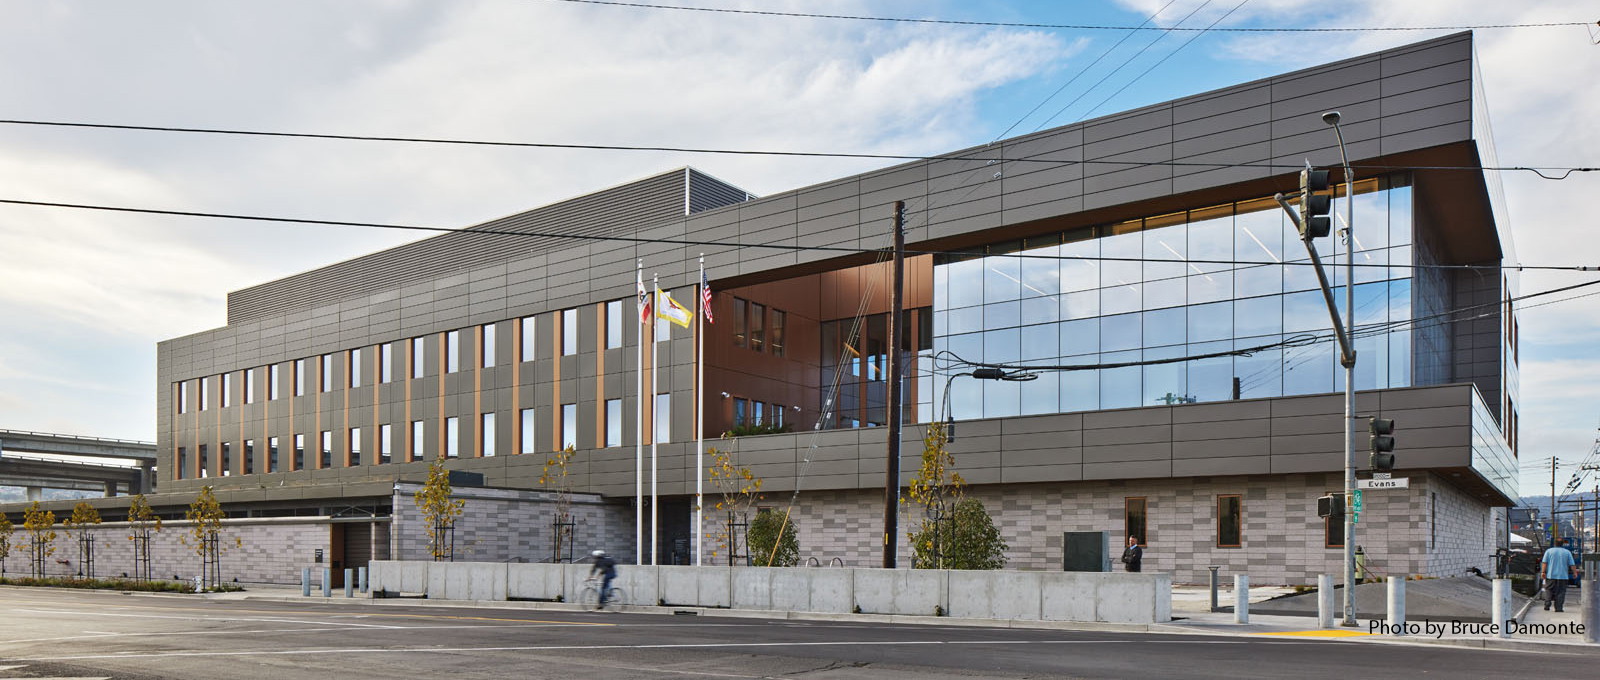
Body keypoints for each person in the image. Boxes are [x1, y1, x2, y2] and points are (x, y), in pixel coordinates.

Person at [1540, 539, 1577, 612]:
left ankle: (1547, 603)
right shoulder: (1567, 552)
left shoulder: (1549, 551)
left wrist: (1543, 572)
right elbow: (1572, 564)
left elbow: (1544, 563)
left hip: (1551, 575)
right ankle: (1558, 608)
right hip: (1563, 576)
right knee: (1561, 592)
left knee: (1549, 589)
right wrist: (1574, 573)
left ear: (1555, 543)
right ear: (1562, 544)